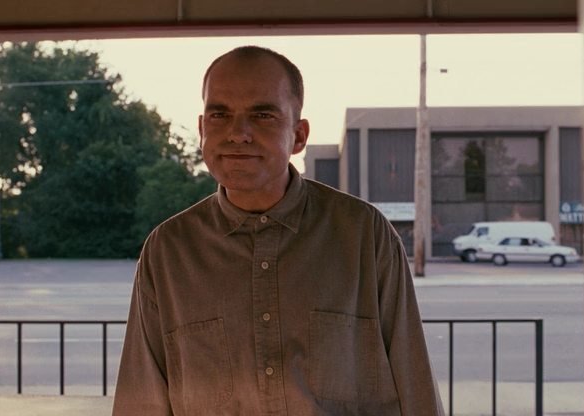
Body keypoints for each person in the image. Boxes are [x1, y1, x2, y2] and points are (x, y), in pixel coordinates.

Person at [113, 45, 444, 416]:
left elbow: (414, 383)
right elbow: (141, 401)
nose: (238, 133)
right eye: (220, 114)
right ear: (202, 129)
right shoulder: (169, 251)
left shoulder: (364, 235)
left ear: (299, 136)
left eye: (263, 115)